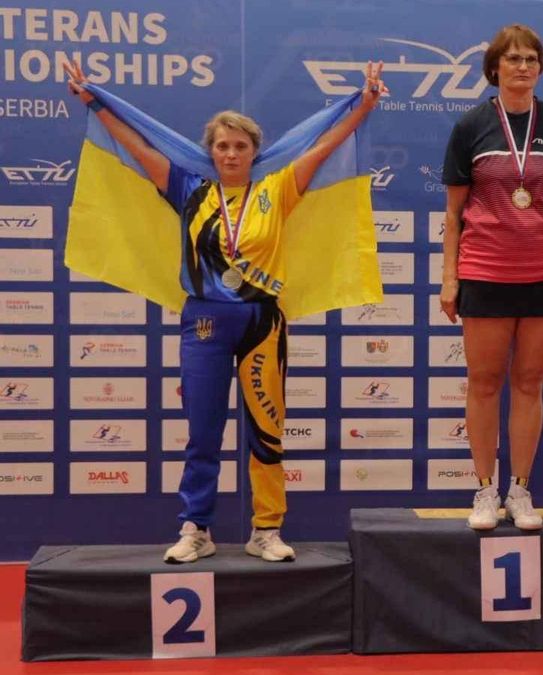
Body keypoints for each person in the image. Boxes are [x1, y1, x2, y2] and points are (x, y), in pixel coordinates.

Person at [65, 59, 388, 563]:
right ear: (210, 152)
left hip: (262, 322)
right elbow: (138, 146)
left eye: (240, 146)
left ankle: (267, 529)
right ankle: (196, 528)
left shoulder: (276, 190)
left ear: (255, 152)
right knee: (203, 432)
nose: (231, 153)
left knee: (266, 430)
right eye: (222, 145)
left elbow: (324, 149)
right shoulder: (189, 192)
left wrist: (363, 107)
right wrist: (96, 103)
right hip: (205, 323)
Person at [440, 24, 543, 531]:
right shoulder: (471, 127)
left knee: (530, 383)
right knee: (483, 383)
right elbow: (454, 211)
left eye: (531, 59)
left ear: (540, 68)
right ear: (495, 68)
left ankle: (520, 490)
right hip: (485, 271)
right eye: (513, 59)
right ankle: (485, 489)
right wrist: (449, 278)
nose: (522, 67)